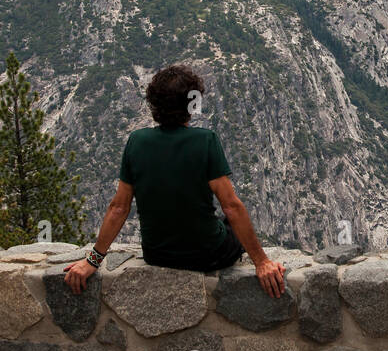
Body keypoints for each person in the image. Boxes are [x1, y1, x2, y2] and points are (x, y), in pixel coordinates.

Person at [64, 64, 286, 298]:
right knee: (228, 224)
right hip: (208, 256)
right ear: (192, 103)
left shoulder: (136, 141)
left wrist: (93, 260)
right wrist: (261, 261)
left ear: (154, 104)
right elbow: (231, 206)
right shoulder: (205, 140)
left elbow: (119, 207)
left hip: (157, 255)